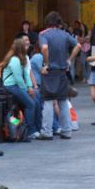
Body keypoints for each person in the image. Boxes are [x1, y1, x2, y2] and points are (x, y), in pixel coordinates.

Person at [38, 12, 81, 140]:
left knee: (48, 102)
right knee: (63, 101)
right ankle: (67, 130)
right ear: (59, 22)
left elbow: (44, 48)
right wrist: (69, 60)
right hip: (62, 72)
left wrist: (46, 63)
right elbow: (78, 46)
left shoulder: (43, 34)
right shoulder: (65, 34)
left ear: (47, 22)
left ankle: (47, 132)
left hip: (50, 72)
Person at [0, 38, 40, 140]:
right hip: (10, 86)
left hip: (17, 85)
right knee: (31, 104)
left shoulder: (23, 58)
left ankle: (35, 128)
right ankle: (29, 130)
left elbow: (26, 75)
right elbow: (18, 78)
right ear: (21, 48)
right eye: (25, 46)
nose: (27, 47)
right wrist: (27, 89)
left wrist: (30, 87)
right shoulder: (14, 60)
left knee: (36, 101)